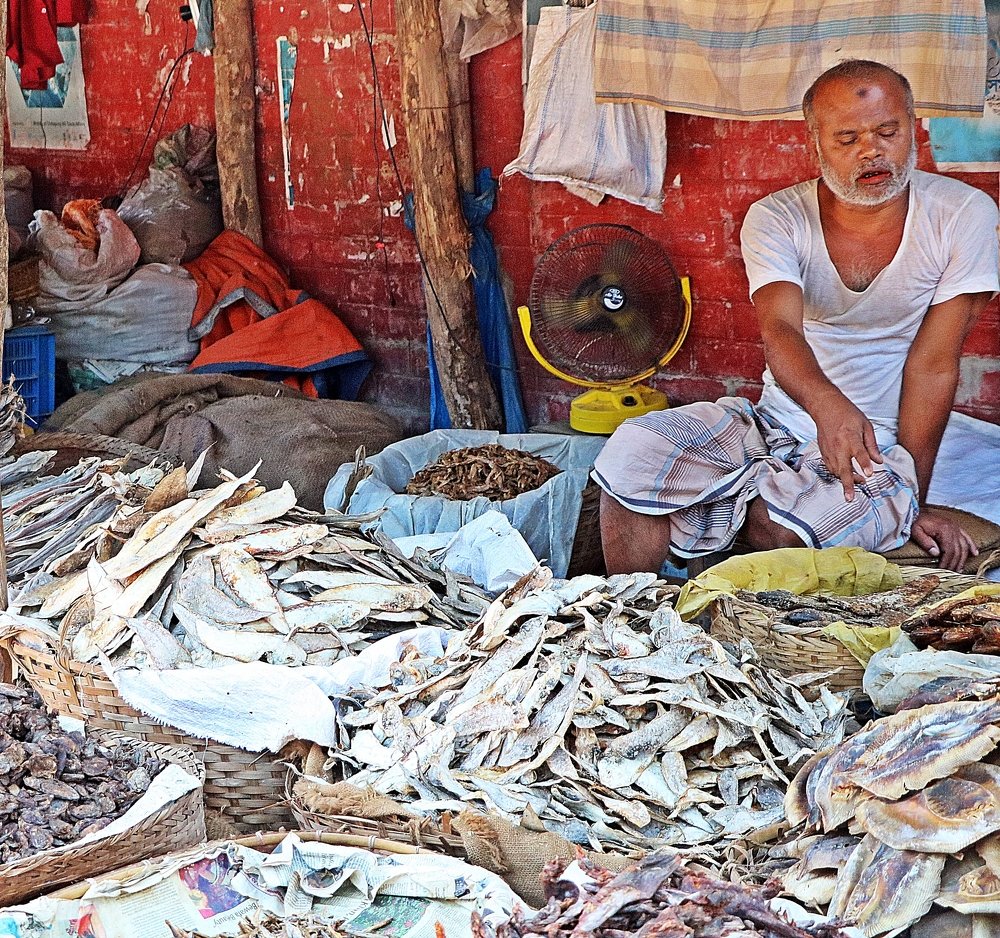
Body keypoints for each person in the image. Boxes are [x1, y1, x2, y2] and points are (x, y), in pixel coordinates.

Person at [594, 59, 1000, 575]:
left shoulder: (963, 214)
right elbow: (779, 328)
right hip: (774, 421)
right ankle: (621, 618)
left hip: (878, 444)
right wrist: (827, 406)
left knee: (781, 523)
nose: (870, 151)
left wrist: (911, 493)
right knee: (634, 452)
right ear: (815, 144)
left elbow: (935, 364)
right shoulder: (777, 217)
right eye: (847, 138)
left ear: (913, 127)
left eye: (887, 131)